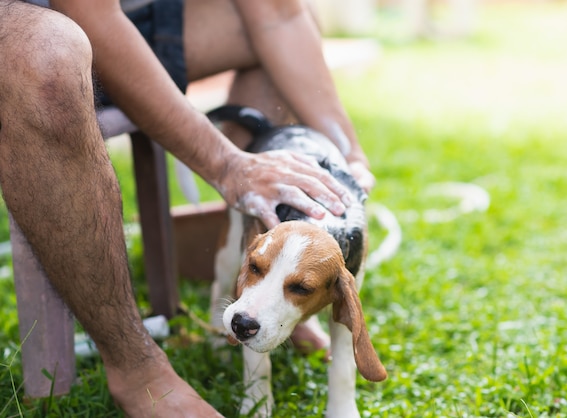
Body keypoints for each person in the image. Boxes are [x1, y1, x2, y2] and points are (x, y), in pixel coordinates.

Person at [0, 0, 373, 416]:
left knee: (295, 22)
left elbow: (278, 12)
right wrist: (226, 163)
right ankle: (135, 367)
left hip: (143, 14)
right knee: (48, 50)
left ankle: (282, 311)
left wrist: (349, 151)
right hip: (30, 18)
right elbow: (89, 13)